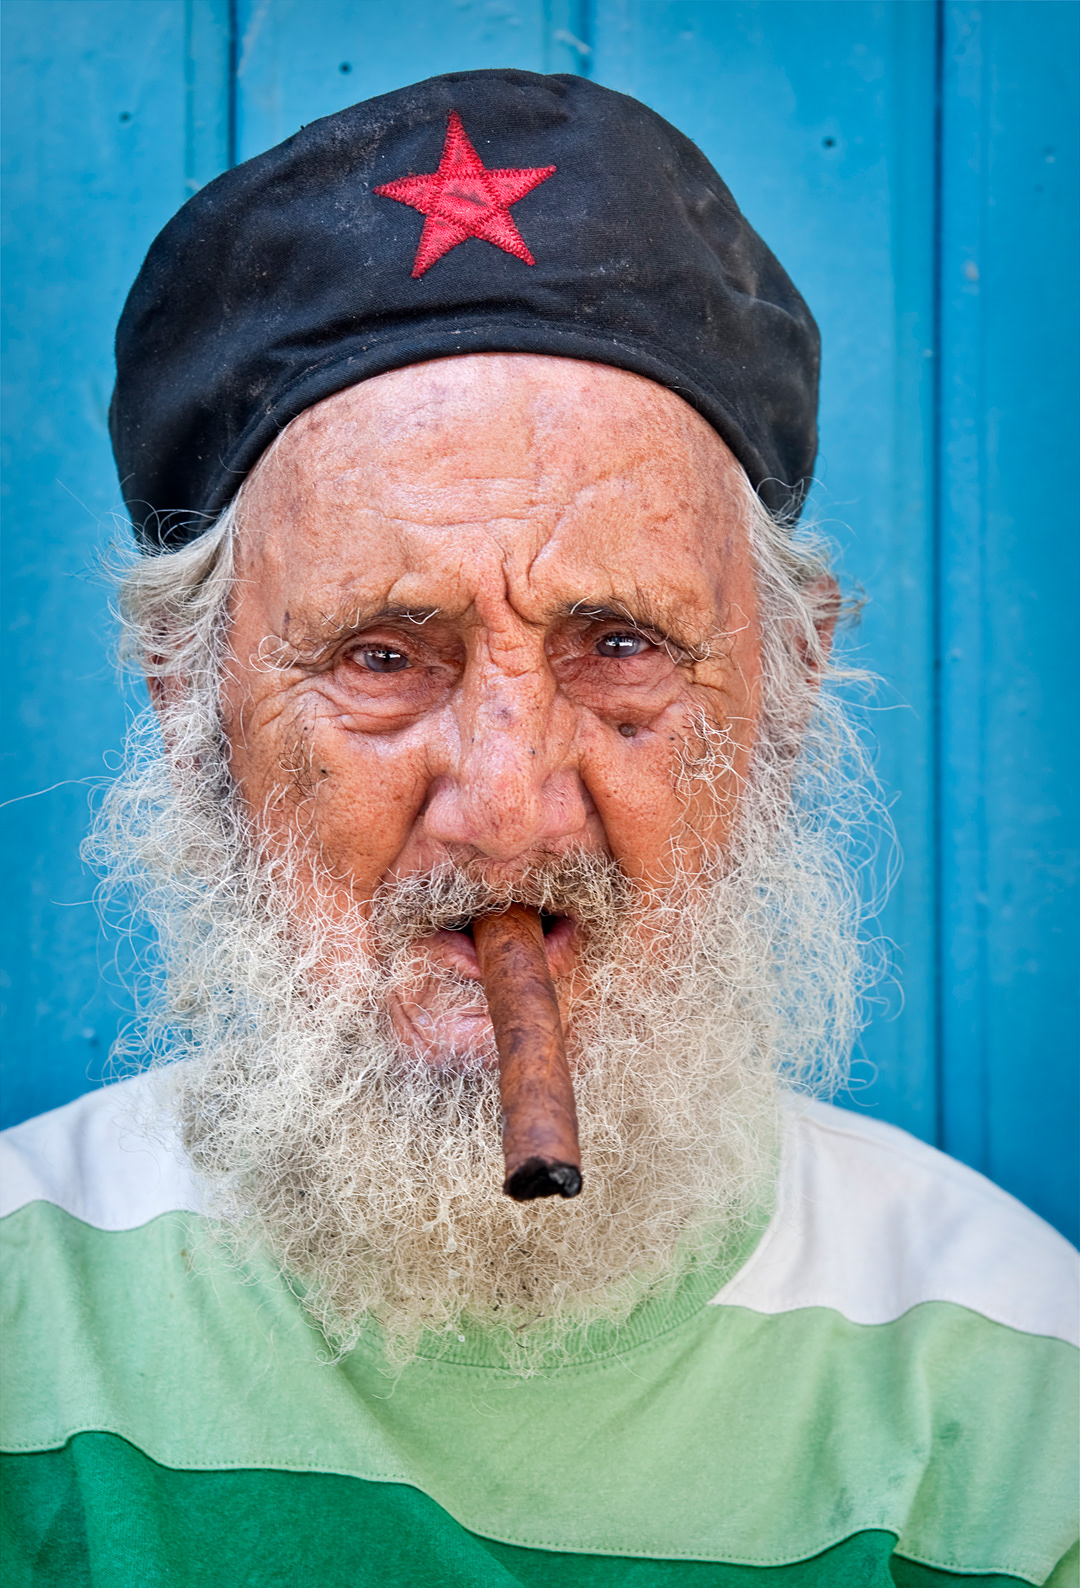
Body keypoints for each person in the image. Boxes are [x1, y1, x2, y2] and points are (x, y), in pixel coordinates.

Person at [1, 70, 1075, 1588]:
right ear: (188, 701)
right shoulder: (20, 1330)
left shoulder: (1018, 1394)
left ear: (789, 684)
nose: (507, 802)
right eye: (382, 656)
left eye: (621, 647)